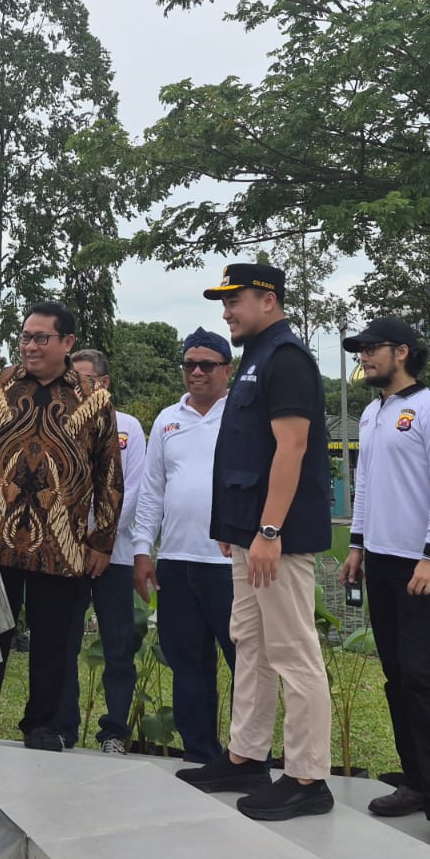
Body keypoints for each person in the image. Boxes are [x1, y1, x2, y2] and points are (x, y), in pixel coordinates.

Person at [175, 263, 334, 822]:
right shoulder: (256, 360)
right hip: (249, 536)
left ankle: (308, 777)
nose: (226, 311)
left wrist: (268, 531)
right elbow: (247, 454)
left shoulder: (286, 358)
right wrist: (238, 531)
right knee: (252, 645)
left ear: (267, 299)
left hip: (278, 540)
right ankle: (245, 757)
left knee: (294, 652)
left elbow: (291, 449)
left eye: (234, 300)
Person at [0, 301, 123, 751]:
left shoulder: (95, 399)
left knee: (53, 644)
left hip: (63, 544)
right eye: (25, 337)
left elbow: (109, 475)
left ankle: (44, 725)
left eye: (39, 338)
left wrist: (101, 542)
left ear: (67, 343)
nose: (29, 346)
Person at [339, 315, 430, 857]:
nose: (364, 357)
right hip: (383, 562)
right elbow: (365, 485)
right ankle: (414, 782)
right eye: (361, 350)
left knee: (421, 676)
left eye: (372, 349)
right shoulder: (372, 413)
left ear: (403, 352)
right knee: (395, 674)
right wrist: (355, 545)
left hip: (424, 564)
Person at [131, 327, 236, 765]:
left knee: (245, 666)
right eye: (189, 364)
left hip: (231, 565)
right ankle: (201, 755)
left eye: (206, 364)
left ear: (226, 369)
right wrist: (142, 550)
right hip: (176, 561)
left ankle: (248, 757)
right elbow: (152, 490)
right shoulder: (166, 419)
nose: (196, 372)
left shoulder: (244, 415)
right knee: (188, 665)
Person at [58, 348, 145, 754]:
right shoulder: (58, 423)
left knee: (118, 647)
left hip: (116, 553)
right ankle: (63, 727)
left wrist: (101, 540)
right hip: (66, 552)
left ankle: (114, 732)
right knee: (63, 644)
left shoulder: (128, 427)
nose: (76, 387)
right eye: (71, 380)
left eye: (85, 380)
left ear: (104, 384)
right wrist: (74, 538)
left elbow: (132, 490)